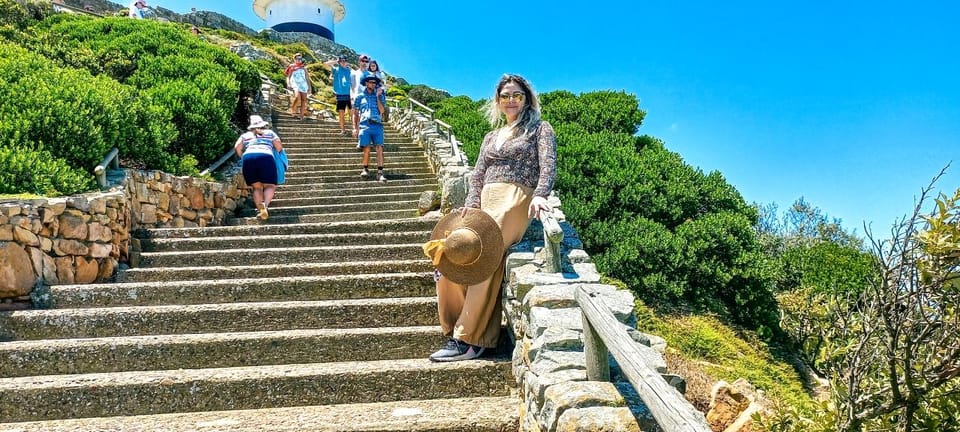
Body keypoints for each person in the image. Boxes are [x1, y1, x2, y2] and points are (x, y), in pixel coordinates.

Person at [424, 74, 557, 362]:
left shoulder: (539, 129)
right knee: (452, 253)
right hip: (486, 199)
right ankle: (454, 325)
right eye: (505, 95)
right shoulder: (491, 137)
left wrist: (540, 194)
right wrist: (471, 204)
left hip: (514, 199)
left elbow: (548, 165)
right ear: (497, 101)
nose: (511, 100)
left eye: (517, 95)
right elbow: (478, 174)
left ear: (526, 99)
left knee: (486, 256)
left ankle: (470, 339)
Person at [234, 115, 283, 220]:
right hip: (265, 156)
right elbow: (279, 146)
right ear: (262, 124)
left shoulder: (245, 135)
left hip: (248, 157)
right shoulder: (269, 133)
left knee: (257, 187)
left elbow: (237, 147)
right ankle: (264, 204)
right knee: (270, 185)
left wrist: (243, 157)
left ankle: (260, 210)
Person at [352, 74, 388, 183]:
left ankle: (380, 173)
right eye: (370, 82)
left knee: (379, 149)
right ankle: (365, 169)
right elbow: (355, 113)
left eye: (374, 83)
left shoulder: (380, 96)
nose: (372, 84)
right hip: (364, 124)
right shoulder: (359, 96)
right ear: (366, 83)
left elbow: (382, 111)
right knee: (366, 148)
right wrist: (354, 127)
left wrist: (377, 97)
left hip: (377, 124)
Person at [324, 55, 354, 136]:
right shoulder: (336, 69)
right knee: (341, 113)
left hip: (349, 94)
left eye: (345, 60)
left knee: (351, 112)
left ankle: (354, 129)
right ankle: (343, 130)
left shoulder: (349, 71)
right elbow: (325, 64)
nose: (343, 62)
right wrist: (336, 61)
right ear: (339, 62)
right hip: (340, 94)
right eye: (342, 61)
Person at [285, 54, 311, 120]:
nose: (299, 60)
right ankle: (293, 110)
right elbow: (288, 76)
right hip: (295, 84)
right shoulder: (291, 66)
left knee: (303, 100)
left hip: (304, 85)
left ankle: (301, 115)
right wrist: (288, 84)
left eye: (300, 59)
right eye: (297, 58)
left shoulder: (304, 68)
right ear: (294, 59)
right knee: (297, 97)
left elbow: (307, 78)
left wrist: (309, 88)